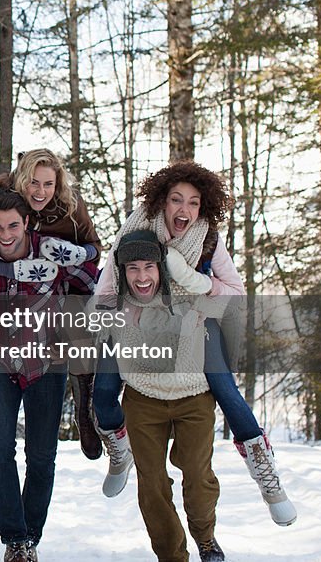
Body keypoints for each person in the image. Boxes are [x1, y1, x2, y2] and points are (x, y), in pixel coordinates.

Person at [92, 161, 296, 527]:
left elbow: (235, 295)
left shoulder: (208, 238)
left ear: (203, 208)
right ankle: (120, 451)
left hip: (196, 319)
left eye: (193, 202)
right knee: (104, 389)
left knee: (227, 392)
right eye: (176, 200)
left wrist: (197, 285)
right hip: (133, 318)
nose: (183, 210)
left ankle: (267, 479)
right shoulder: (136, 229)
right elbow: (106, 290)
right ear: (161, 202)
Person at [0, 188, 95, 562]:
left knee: (41, 456)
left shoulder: (50, 250)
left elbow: (89, 280)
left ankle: (32, 535)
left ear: (26, 222)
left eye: (12, 225)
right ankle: (15, 541)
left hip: (47, 362)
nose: (5, 234)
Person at [0, 149, 103, 458]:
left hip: (54, 286)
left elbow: (93, 248)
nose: (40, 192)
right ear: (19, 180)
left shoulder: (70, 206)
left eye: (48, 184)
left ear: (58, 183)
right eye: (33, 183)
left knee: (80, 337)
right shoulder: (1, 196)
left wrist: (79, 256)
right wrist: (7, 270)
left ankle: (84, 414)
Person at [99, 229, 226, 562]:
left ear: (161, 268)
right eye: (132, 268)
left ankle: (205, 537)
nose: (142, 276)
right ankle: (172, 556)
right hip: (142, 403)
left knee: (198, 478)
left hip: (194, 399)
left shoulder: (187, 293)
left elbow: (227, 295)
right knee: (152, 485)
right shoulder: (114, 307)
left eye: (149, 267)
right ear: (122, 272)